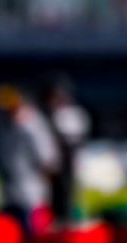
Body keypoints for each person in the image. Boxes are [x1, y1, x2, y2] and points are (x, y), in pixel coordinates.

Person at [0, 84, 60, 234]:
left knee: (34, 232)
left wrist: (43, 178)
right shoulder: (6, 125)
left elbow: (47, 157)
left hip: (31, 190)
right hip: (10, 189)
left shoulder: (32, 124)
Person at [42, 78, 90, 226]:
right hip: (55, 159)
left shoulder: (71, 113)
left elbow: (76, 137)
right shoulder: (48, 113)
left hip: (69, 157)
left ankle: (67, 218)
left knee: (69, 191)